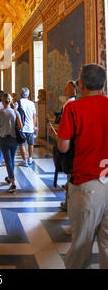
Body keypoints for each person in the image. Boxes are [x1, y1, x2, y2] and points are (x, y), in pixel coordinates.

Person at [57, 64, 108, 269]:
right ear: (103, 84)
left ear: (81, 83)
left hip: (87, 184)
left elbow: (63, 146)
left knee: (81, 246)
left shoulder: (73, 107)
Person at [0, 94, 22, 193]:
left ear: (3, 102)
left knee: (8, 162)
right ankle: (10, 177)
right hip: (14, 140)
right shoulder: (15, 112)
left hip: (4, 139)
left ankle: (13, 184)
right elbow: (21, 127)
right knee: (11, 160)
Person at [60, 80, 76, 212]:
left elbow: (64, 142)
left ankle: (68, 204)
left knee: (70, 177)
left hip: (71, 148)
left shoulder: (69, 105)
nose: (65, 90)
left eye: (67, 88)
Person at [18, 87, 37, 166]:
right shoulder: (32, 103)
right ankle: (30, 158)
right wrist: (34, 125)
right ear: (28, 95)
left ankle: (24, 160)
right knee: (30, 143)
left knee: (22, 143)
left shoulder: (18, 102)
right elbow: (34, 116)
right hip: (30, 127)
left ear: (21, 94)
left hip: (21, 127)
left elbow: (16, 115)